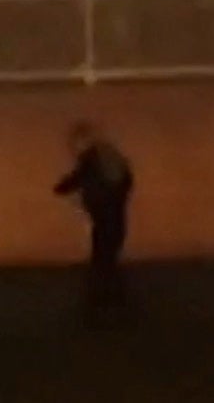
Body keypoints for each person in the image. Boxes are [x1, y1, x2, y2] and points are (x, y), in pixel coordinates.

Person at [53, 121, 134, 318]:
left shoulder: (91, 159)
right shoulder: (113, 159)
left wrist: (60, 188)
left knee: (100, 258)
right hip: (116, 216)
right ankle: (115, 301)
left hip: (102, 217)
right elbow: (128, 182)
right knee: (110, 257)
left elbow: (74, 180)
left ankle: (100, 302)